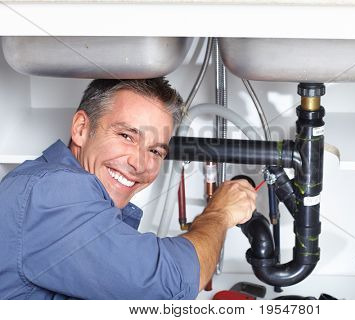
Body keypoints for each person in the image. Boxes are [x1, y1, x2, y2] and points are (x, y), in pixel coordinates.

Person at [0, 78, 256, 300]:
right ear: (81, 129)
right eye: (126, 136)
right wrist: (219, 214)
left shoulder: (61, 189)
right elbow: (172, 284)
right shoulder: (49, 193)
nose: (139, 163)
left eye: (155, 151)